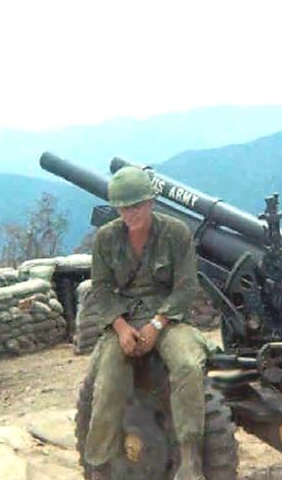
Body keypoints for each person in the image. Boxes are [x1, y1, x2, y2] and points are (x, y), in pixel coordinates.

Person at [84, 165, 208, 480]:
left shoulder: (176, 233)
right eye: (124, 207)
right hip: (124, 318)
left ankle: (190, 459)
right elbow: (101, 289)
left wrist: (157, 324)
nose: (131, 213)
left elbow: (185, 287)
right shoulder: (106, 239)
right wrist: (121, 328)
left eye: (137, 205)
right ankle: (98, 465)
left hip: (167, 317)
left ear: (151, 202)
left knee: (187, 365)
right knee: (108, 379)